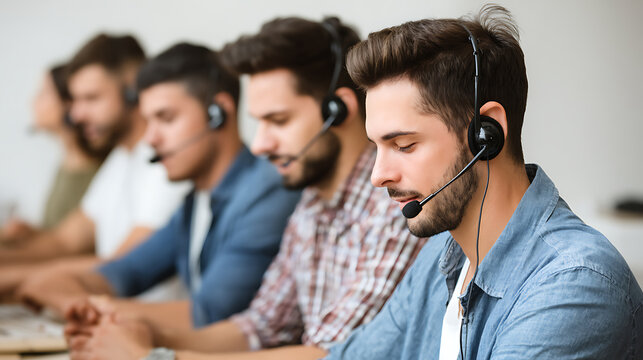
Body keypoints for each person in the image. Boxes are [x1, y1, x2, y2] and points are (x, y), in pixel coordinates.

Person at [65, 16, 426, 360]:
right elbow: (259, 326)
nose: (259, 145)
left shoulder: (395, 205)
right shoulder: (312, 204)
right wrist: (141, 332)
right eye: (259, 123)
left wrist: (152, 355)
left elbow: (334, 354)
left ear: (339, 110)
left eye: (278, 121)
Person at [324, 5, 643, 359]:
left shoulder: (574, 285)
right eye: (378, 146)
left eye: (403, 145)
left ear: (485, 133)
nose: (378, 175)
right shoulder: (443, 256)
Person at [16, 42, 301, 331]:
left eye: (165, 118)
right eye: (148, 120)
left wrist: (86, 307)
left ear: (219, 112)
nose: (150, 139)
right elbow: (124, 272)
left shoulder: (267, 191)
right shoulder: (194, 201)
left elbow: (212, 313)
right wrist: (67, 289)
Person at [0, 34, 189, 306]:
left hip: (147, 323)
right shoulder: (121, 159)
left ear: (132, 92)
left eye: (91, 98)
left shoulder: (166, 162)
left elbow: (124, 264)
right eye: (75, 101)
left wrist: (10, 278)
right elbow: (64, 241)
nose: (76, 115)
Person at [0, 64, 105, 243]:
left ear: (68, 104)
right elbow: (59, 234)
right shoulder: (66, 164)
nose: (33, 101)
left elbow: (72, 245)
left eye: (44, 93)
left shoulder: (95, 172)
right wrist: (32, 233)